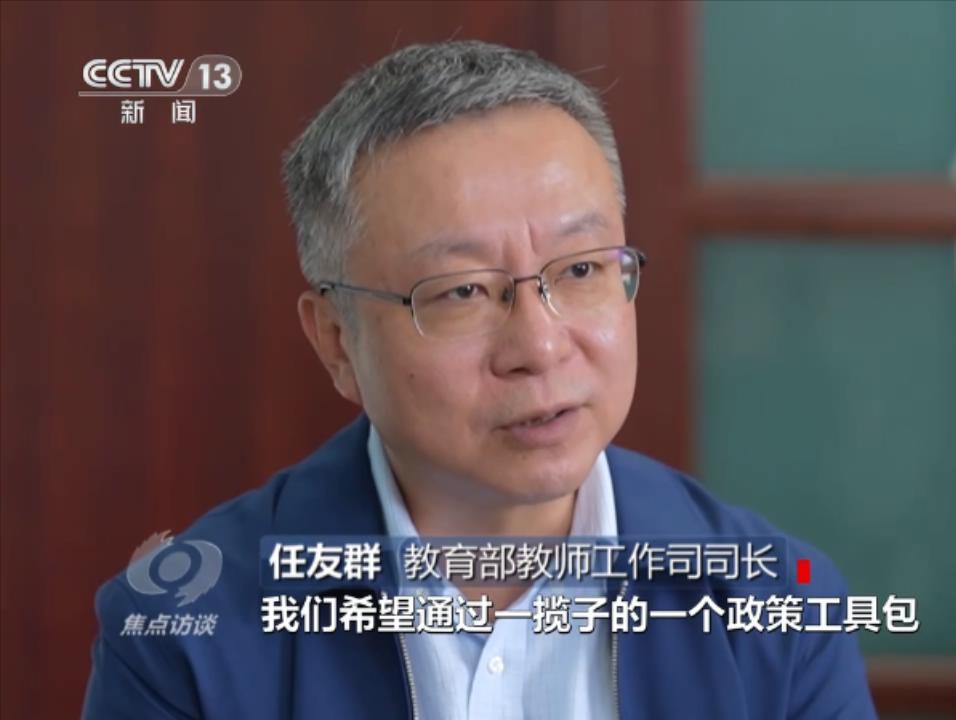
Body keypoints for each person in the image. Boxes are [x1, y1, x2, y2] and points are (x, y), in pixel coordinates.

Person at [82, 40, 877, 719]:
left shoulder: (780, 611)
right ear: (336, 341)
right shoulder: (183, 634)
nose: (539, 345)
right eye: (461, 291)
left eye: (581, 269)